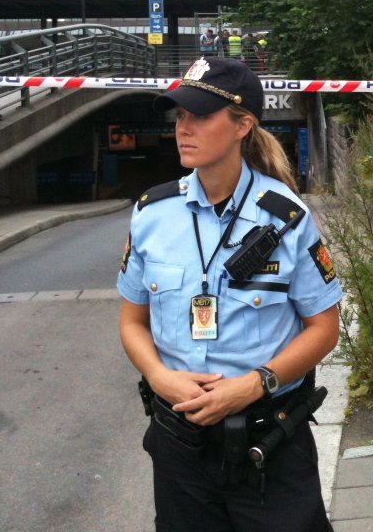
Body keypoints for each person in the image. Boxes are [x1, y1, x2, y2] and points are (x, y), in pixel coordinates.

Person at [117, 56, 341, 531]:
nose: (184, 128)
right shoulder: (152, 213)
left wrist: (254, 385)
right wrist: (158, 376)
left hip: (269, 444)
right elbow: (132, 321)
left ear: (243, 126)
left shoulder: (285, 217)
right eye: (180, 116)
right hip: (179, 447)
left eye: (199, 115)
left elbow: (324, 329)